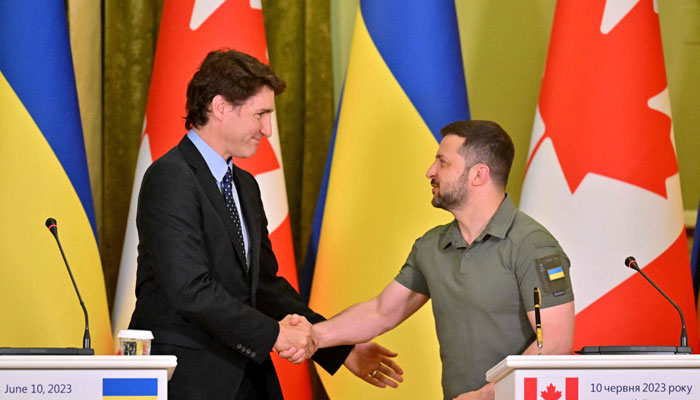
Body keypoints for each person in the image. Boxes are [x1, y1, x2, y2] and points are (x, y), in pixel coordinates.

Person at [129, 49, 402, 399]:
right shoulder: (171, 177)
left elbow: (263, 287)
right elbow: (190, 290)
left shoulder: (243, 184)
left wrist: (337, 347)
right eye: (261, 114)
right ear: (220, 107)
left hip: (246, 375)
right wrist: (276, 334)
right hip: (188, 378)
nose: (267, 130)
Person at [309, 120, 575, 400]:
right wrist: (313, 336)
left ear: (479, 174)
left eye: (442, 163)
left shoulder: (532, 245)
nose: (430, 172)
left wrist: (486, 396)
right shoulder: (431, 246)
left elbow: (554, 345)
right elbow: (381, 311)